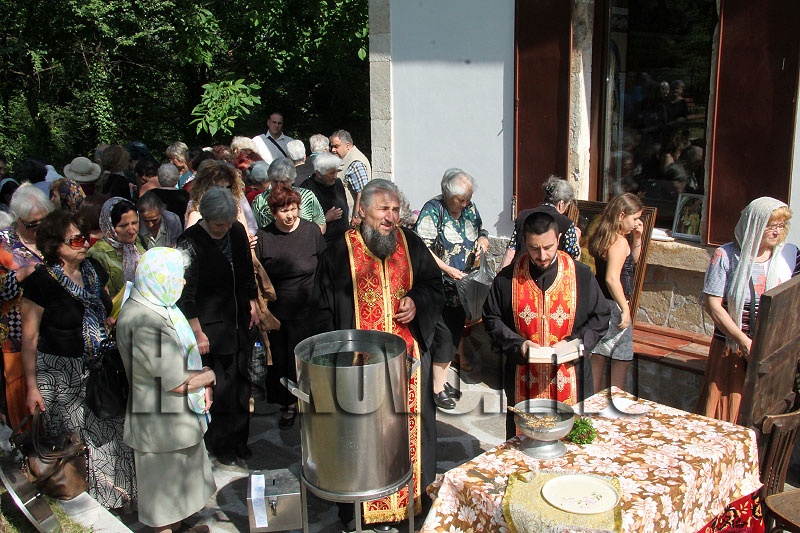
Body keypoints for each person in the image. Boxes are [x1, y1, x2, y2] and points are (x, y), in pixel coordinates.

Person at [315, 179, 443, 527]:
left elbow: (434, 286)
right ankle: (360, 513)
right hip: (357, 371)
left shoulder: (411, 244)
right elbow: (321, 316)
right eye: (383, 209)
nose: (391, 218)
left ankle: (412, 504)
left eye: (396, 210)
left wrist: (417, 302)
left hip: (409, 367)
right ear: (362, 210)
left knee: (409, 433)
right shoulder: (337, 255)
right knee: (361, 441)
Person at [21, 210, 136, 509]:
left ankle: (120, 497)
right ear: (55, 244)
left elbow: (106, 304)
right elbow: (30, 339)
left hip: (99, 367)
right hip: (61, 373)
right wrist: (32, 387)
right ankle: (91, 503)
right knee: (80, 442)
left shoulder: (93, 269)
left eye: (86, 237)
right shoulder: (40, 283)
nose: (85, 244)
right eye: (76, 239)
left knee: (113, 434)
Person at [483, 211, 610, 439]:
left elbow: (601, 316)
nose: (542, 255)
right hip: (523, 377)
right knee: (525, 445)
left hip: (572, 376)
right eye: (534, 248)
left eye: (548, 247)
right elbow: (491, 318)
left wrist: (574, 344)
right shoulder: (507, 278)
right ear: (524, 242)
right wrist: (519, 346)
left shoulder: (581, 275)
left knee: (573, 446)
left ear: (559, 239)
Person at [118, 247, 216, 533]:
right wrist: (209, 376)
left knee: (181, 490)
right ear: (158, 277)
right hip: (160, 424)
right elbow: (176, 380)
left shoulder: (157, 307)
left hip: (173, 418)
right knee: (165, 502)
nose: (182, 283)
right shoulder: (144, 321)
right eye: (178, 277)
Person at [697, 197, 800, 423]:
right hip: (732, 348)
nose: (777, 232)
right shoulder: (726, 256)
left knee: (763, 412)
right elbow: (713, 305)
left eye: (781, 226)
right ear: (753, 225)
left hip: (771, 349)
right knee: (729, 414)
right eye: (771, 226)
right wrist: (744, 341)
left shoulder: (789, 256)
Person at [177, 187, 259, 465]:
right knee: (220, 387)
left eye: (227, 224)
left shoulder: (236, 231)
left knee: (241, 383)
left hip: (238, 320)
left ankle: (241, 440)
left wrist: (253, 301)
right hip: (211, 325)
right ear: (206, 218)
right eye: (218, 225)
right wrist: (197, 331)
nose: (224, 229)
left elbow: (247, 269)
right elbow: (185, 293)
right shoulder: (189, 242)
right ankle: (220, 443)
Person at [415, 169, 489, 407]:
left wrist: (482, 242)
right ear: (447, 194)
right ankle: (436, 388)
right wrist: (446, 269)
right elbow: (422, 248)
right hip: (441, 286)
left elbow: (481, 231)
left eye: (467, 198)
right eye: (461, 199)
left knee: (455, 332)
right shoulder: (432, 210)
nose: (465, 203)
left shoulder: (470, 208)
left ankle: (442, 379)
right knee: (445, 336)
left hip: (464, 287)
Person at [254, 184, 325, 429]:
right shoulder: (264, 237)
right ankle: (289, 404)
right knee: (283, 361)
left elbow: (324, 265)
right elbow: (258, 275)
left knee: (309, 359)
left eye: (293, 209)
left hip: (309, 309)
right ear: (273, 212)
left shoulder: (311, 231)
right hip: (278, 312)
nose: (290, 215)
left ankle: (312, 401)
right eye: (284, 210)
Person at [0, 184, 53, 428]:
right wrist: (20, 275)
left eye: (43, 221)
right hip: (19, 337)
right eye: (32, 224)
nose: (39, 228)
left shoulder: (52, 236)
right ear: (17, 219)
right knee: (26, 406)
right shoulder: (4, 244)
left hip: (54, 333)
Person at [588, 193, 644, 392]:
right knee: (621, 357)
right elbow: (612, 278)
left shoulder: (605, 235)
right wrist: (625, 308)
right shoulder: (619, 242)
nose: (637, 222)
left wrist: (637, 237)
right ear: (622, 215)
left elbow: (630, 263)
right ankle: (614, 407)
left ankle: (591, 409)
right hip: (614, 305)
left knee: (599, 356)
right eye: (634, 218)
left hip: (601, 303)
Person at [501, 175, 581, 267]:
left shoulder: (523, 215)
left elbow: (511, 250)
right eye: (567, 205)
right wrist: (577, 238)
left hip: (520, 271)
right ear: (561, 203)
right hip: (549, 274)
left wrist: (500, 276)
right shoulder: (566, 223)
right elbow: (574, 257)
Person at [88, 197, 146, 299]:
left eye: (134, 223)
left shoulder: (139, 242)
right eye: (123, 226)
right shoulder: (97, 254)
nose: (131, 230)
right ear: (110, 227)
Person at [185, 159, 258, 237]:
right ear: (205, 188)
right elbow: (190, 239)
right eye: (218, 187)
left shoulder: (238, 201)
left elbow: (251, 227)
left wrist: (250, 238)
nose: (224, 191)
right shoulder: (195, 209)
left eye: (228, 187)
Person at [250, 158, 326, 231]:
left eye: (283, 182)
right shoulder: (259, 201)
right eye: (275, 181)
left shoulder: (307, 196)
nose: (279, 186)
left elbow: (321, 225)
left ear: (291, 180)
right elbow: (254, 230)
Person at [297, 152, 349, 247]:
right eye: (331, 173)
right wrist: (325, 219)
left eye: (336, 172)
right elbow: (303, 225)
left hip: (342, 242)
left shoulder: (337, 183)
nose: (335, 176)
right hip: (323, 245)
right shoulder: (307, 190)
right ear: (319, 174)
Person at [330, 129, 372, 224]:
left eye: (336, 146)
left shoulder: (355, 162)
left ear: (347, 145)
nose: (333, 150)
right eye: (332, 146)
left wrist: (357, 216)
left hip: (353, 220)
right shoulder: (346, 159)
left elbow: (363, 192)